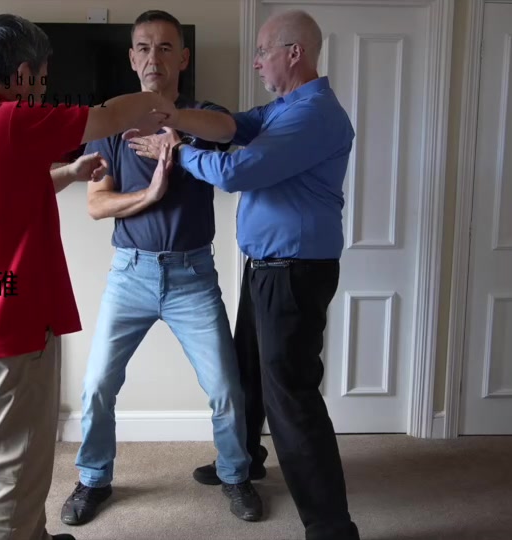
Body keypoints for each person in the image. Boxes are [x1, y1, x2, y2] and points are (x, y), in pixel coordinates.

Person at [0, 13, 175, 540]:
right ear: (22, 75)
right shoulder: (13, 120)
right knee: (13, 471)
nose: (42, 91)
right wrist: (157, 96)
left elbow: (13, 188)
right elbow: (107, 116)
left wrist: (70, 171)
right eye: (41, 80)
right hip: (12, 331)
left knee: (25, 460)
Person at [126, 9, 360, 540]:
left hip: (294, 273)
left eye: (262, 52)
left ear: (294, 53)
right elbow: (236, 125)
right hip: (269, 269)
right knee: (248, 372)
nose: (256, 62)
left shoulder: (314, 114)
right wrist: (174, 115)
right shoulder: (285, 107)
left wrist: (175, 148)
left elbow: (236, 171)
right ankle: (247, 459)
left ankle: (331, 526)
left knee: (292, 397)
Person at [59, 9, 263, 528]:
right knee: (97, 385)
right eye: (145, 48)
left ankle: (235, 473)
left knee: (226, 388)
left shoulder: (199, 115)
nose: (155, 57)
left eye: (166, 47)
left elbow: (227, 128)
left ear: (183, 58)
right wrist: (150, 194)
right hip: (130, 275)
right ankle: (93, 478)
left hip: (194, 277)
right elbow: (96, 204)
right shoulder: (109, 122)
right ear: (132, 59)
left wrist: (176, 130)